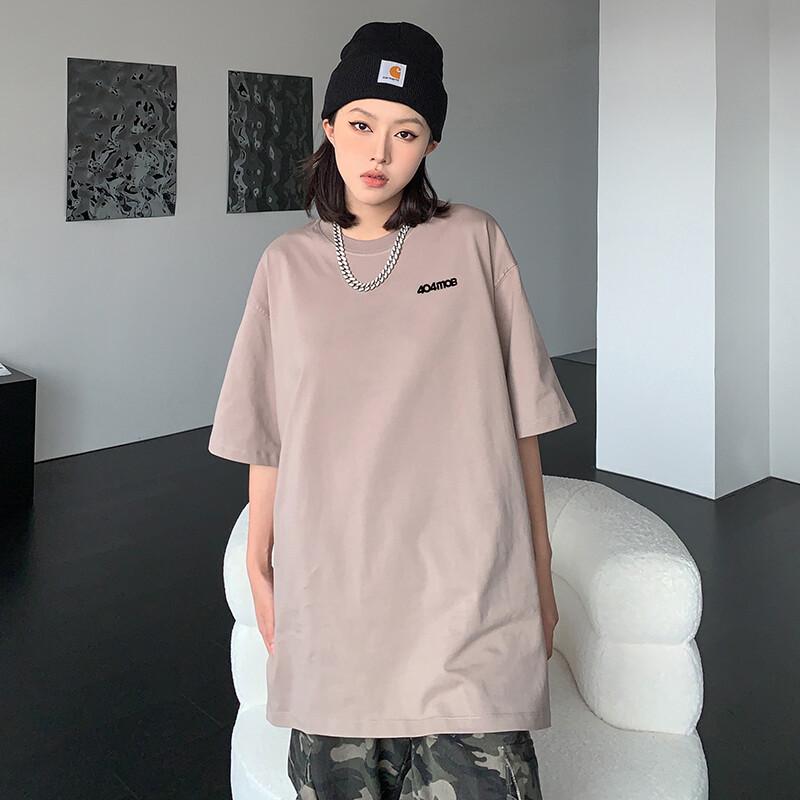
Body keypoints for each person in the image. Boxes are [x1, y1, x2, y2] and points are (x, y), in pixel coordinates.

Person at [208, 20, 577, 800]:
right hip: (334, 594)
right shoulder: (286, 265)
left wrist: (540, 575)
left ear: (430, 144)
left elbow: (522, 426)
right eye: (361, 124)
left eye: (405, 132)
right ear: (329, 126)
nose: (378, 152)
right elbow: (268, 433)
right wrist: (259, 564)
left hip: (468, 591)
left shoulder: (474, 241)